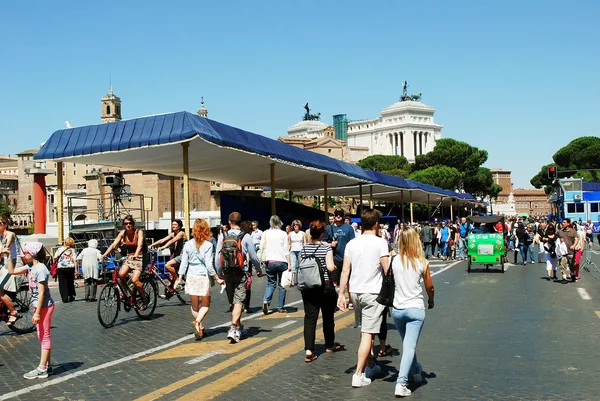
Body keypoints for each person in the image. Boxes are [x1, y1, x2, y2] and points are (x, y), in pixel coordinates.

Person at [337, 208, 390, 388]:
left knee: (366, 330)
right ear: (376, 224)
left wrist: (341, 294)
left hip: (355, 292)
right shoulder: (380, 243)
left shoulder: (352, 243)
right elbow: (386, 270)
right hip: (373, 292)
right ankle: (358, 374)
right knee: (368, 333)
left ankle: (370, 365)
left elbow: (345, 270)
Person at [391, 227, 435, 397]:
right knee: (409, 346)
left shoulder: (395, 261)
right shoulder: (422, 262)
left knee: (408, 344)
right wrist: (431, 300)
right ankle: (401, 383)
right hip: (415, 307)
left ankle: (416, 371)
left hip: (398, 308)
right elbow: (429, 286)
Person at [4, 242, 55, 379]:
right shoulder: (31, 266)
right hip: (37, 306)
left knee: (44, 336)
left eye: (25, 252)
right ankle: (47, 365)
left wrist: (37, 313)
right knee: (41, 335)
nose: (23, 255)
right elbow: (11, 271)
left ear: (32, 254)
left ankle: (42, 368)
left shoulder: (41, 269)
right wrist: (8, 256)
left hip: (44, 306)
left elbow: (42, 293)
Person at [215, 212, 260, 343]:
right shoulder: (245, 236)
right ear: (240, 222)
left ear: (229, 222)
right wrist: (258, 269)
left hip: (227, 272)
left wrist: (219, 274)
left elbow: (218, 259)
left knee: (233, 302)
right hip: (241, 272)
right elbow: (253, 256)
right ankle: (233, 328)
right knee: (239, 301)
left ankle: (238, 327)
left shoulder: (222, 236)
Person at [300, 220, 341, 362]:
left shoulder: (304, 249)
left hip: (308, 287)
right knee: (328, 317)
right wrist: (335, 268)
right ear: (322, 234)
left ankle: (309, 349)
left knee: (310, 318)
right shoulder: (326, 249)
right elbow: (330, 267)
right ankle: (329, 345)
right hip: (324, 286)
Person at [178, 219, 225, 340]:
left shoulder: (187, 244)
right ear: (206, 230)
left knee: (195, 305)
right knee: (206, 305)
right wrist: (216, 277)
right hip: (202, 276)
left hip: (191, 276)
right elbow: (209, 265)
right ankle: (198, 322)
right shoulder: (208, 245)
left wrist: (179, 278)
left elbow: (183, 263)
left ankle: (200, 328)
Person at [102, 215, 149, 309]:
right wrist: (103, 255)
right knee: (120, 276)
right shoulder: (123, 233)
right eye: (126, 223)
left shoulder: (138, 232)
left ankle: (144, 297)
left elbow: (140, 245)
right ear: (123, 225)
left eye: (130, 223)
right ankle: (124, 293)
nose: (128, 225)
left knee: (134, 280)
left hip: (140, 257)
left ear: (133, 224)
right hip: (130, 257)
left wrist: (136, 254)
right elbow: (113, 244)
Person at [260, 215, 291, 314]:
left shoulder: (265, 233)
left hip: (270, 261)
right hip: (282, 261)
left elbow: (261, 247)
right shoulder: (283, 234)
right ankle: (281, 307)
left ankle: (266, 300)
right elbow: (286, 250)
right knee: (282, 285)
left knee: (271, 283)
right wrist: (289, 264)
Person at [149, 219, 187, 292]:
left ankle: (178, 280)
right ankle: (171, 291)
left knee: (168, 265)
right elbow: (162, 240)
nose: (173, 226)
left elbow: (172, 241)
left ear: (179, 226)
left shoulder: (181, 233)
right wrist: (151, 245)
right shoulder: (172, 234)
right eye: (172, 224)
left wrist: (163, 247)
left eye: (175, 224)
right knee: (170, 274)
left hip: (183, 255)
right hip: (176, 256)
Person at [323, 208, 355, 285]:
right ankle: (336, 296)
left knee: (347, 281)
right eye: (336, 214)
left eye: (340, 214)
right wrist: (330, 244)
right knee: (334, 281)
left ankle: (346, 296)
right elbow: (322, 241)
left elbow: (353, 242)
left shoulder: (349, 228)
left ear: (343, 216)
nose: (338, 216)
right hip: (334, 258)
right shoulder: (329, 228)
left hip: (347, 257)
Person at [0, 216, 20, 325]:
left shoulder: (10, 234)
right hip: (3, 263)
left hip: (11, 262)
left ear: (5, 224)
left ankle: (13, 311)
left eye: (0, 223)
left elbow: (5, 247)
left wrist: (3, 249)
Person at [54, 237, 78, 303]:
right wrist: (76, 270)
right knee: (70, 282)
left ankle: (64, 297)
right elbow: (75, 260)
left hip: (61, 268)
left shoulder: (59, 249)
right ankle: (71, 295)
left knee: (62, 283)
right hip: (70, 268)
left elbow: (55, 257)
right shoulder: (72, 250)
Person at [288, 219, 305, 286]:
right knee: (293, 266)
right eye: (294, 225)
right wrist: (287, 251)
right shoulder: (290, 234)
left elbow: (304, 243)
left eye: (297, 225)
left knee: (301, 266)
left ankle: (301, 281)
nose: (295, 226)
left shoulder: (303, 233)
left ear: (299, 226)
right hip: (292, 251)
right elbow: (289, 243)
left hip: (300, 250)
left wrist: (304, 251)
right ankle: (292, 281)